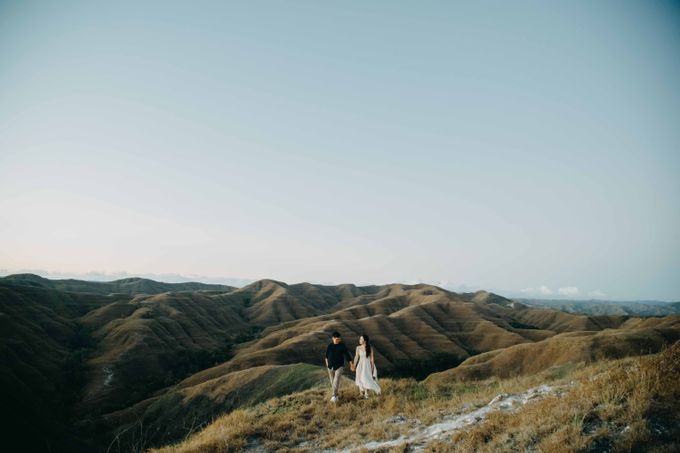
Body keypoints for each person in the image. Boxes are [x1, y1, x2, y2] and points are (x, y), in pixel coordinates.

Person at [325, 331, 353, 403]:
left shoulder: (342, 346)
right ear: (333, 338)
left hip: (339, 366)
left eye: (339, 339)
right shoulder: (330, 346)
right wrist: (327, 365)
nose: (338, 340)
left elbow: (347, 355)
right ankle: (336, 396)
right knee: (332, 382)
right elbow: (326, 356)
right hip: (330, 367)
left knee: (336, 380)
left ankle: (333, 395)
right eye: (336, 339)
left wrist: (351, 364)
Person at [353, 333, 381, 398]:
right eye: (360, 339)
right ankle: (361, 393)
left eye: (361, 339)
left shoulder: (370, 348)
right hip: (360, 365)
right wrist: (354, 365)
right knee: (359, 378)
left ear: (365, 341)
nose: (359, 340)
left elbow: (372, 359)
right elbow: (356, 357)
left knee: (365, 378)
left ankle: (366, 393)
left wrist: (372, 368)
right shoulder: (358, 348)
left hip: (367, 365)